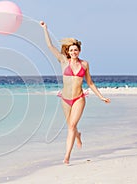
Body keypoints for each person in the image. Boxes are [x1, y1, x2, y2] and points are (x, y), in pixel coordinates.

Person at [40, 21, 110, 165]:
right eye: (71, 50)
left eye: (75, 50)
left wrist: (101, 96)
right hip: (65, 99)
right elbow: (49, 46)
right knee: (71, 126)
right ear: (67, 51)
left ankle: (67, 156)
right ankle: (78, 135)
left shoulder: (85, 64)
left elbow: (90, 82)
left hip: (79, 98)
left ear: (79, 51)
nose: (73, 52)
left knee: (71, 126)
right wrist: (45, 29)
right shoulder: (63, 61)